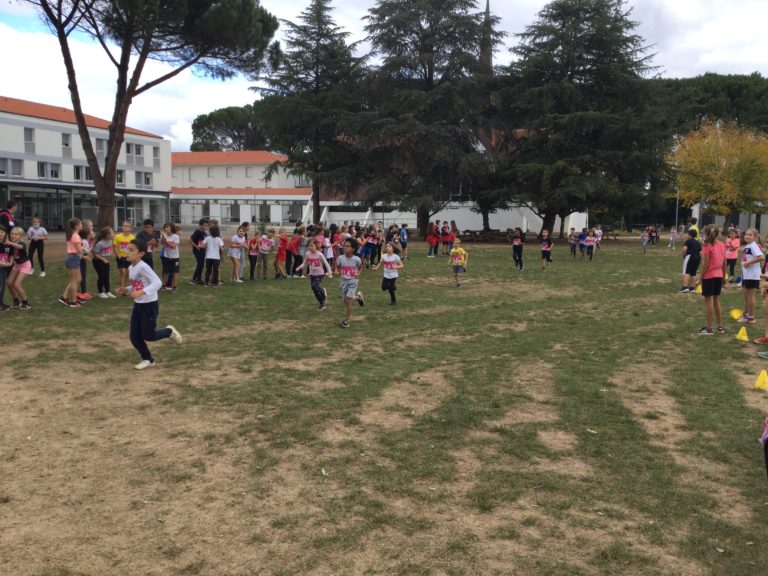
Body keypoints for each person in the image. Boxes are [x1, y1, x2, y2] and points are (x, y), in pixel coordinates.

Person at [115, 239, 182, 369]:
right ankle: (148, 359)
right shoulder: (131, 267)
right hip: (138, 305)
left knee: (149, 335)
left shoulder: (143, 267)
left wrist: (142, 292)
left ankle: (169, 331)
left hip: (149, 306)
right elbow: (138, 285)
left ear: (141, 253)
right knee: (134, 337)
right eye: (127, 249)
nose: (127, 252)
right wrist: (127, 290)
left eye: (131, 250)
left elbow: (157, 282)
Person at [695, 224, 726, 335]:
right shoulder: (722, 245)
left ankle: (708, 328)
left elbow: (705, 265)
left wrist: (700, 278)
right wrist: (724, 276)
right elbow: (724, 262)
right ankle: (720, 327)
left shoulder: (707, 247)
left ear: (706, 234)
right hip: (719, 276)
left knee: (709, 302)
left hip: (709, 276)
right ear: (718, 234)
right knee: (716, 301)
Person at [295, 239, 333, 310]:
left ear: (316, 246)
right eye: (309, 246)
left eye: (312, 246)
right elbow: (305, 263)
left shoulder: (320, 254)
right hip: (312, 274)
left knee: (314, 286)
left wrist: (330, 273)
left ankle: (322, 302)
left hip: (320, 274)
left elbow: (326, 264)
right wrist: (299, 267)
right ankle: (322, 296)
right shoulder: (307, 254)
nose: (310, 247)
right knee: (314, 288)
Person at [737, 228, 764, 324]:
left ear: (755, 237)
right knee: (746, 295)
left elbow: (761, 257)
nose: (747, 236)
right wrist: (745, 263)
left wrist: (748, 262)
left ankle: (751, 317)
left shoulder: (753, 245)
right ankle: (747, 313)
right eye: (746, 234)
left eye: (750, 235)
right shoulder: (748, 245)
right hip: (747, 274)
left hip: (752, 275)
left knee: (750, 296)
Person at [337, 238, 365, 328]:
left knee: (348, 301)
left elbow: (361, 267)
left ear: (353, 249)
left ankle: (347, 320)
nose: (344, 248)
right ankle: (358, 297)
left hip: (353, 282)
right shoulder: (340, 258)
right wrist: (336, 271)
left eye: (347, 246)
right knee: (345, 300)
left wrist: (358, 273)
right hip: (343, 282)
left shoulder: (356, 259)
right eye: (344, 246)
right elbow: (337, 266)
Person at [5, 227, 32, 309]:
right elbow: (12, 255)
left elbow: (19, 247)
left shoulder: (21, 243)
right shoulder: (10, 244)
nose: (13, 235)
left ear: (20, 236)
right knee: (9, 282)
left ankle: (26, 303)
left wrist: (10, 243)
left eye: (16, 234)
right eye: (12, 234)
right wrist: (10, 262)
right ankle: (16, 301)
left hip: (25, 265)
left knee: (17, 284)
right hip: (16, 265)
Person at [60, 218, 83, 308]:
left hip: (72, 257)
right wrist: (83, 245)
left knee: (78, 279)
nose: (81, 225)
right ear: (77, 226)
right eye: (80, 223)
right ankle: (73, 301)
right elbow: (79, 249)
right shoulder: (76, 236)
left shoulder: (72, 234)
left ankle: (64, 297)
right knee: (74, 280)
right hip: (73, 257)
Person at [92, 226, 116, 298]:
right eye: (112, 232)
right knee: (102, 276)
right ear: (107, 235)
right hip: (98, 261)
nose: (113, 234)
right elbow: (94, 253)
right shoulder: (100, 243)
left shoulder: (110, 241)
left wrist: (108, 256)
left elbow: (108, 250)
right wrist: (103, 259)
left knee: (106, 276)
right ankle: (101, 292)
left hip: (106, 261)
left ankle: (108, 291)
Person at [113, 220, 135, 291]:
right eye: (124, 226)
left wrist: (132, 255)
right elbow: (114, 246)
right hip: (121, 257)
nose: (125, 227)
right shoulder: (118, 236)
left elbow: (134, 247)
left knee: (127, 273)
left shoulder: (132, 237)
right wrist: (118, 255)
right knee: (123, 272)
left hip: (129, 257)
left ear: (131, 228)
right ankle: (122, 289)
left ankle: (124, 287)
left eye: (127, 226)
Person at [679, 228, 701, 293]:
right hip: (698, 257)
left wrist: (683, 255)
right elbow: (700, 251)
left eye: (687, 234)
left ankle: (685, 287)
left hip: (690, 256)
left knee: (686, 271)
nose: (687, 235)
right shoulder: (697, 242)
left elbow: (684, 249)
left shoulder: (688, 241)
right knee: (693, 273)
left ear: (690, 235)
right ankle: (692, 288)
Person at [160, 222, 180, 290]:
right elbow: (162, 243)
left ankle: (174, 286)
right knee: (165, 272)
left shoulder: (176, 236)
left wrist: (166, 240)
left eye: (167, 227)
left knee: (174, 272)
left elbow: (173, 246)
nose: (166, 229)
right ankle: (163, 285)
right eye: (165, 227)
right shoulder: (164, 236)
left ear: (172, 228)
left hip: (175, 257)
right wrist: (163, 237)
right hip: (166, 257)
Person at [188, 218, 209, 285]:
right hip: (197, 250)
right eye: (204, 225)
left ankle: (199, 279)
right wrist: (196, 246)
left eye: (207, 226)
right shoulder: (197, 232)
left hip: (202, 250)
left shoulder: (204, 233)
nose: (206, 227)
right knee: (199, 264)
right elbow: (190, 240)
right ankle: (194, 279)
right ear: (200, 225)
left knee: (201, 264)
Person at [78, 219, 94, 300]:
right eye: (91, 226)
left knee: (83, 276)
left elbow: (88, 249)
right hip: (79, 259)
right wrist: (86, 257)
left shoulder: (87, 239)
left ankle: (83, 292)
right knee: (79, 277)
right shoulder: (82, 240)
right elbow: (78, 251)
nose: (92, 227)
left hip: (83, 258)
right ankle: (78, 293)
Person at [0, 226, 12, 312]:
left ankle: (1, 303)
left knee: (2, 286)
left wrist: (10, 263)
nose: (0, 234)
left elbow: (11, 254)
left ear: (5, 233)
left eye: (2, 232)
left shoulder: (7, 244)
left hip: (4, 268)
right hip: (1, 266)